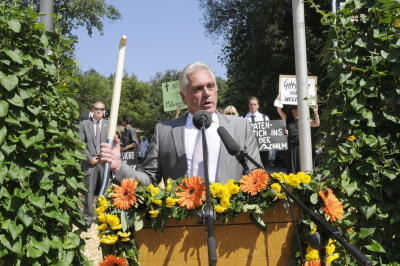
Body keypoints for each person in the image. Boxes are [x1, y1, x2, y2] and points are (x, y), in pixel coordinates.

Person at [100, 62, 262, 185]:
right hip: (181, 224)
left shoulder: (241, 127)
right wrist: (118, 166)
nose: (207, 93)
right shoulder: (164, 131)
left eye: (211, 86)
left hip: (232, 224)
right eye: (198, 88)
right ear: (184, 97)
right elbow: (149, 180)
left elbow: (255, 175)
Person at [79, 101, 108, 226]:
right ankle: (88, 218)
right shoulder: (84, 124)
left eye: (101, 109)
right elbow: (80, 144)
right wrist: (89, 158)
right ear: (92, 109)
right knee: (89, 192)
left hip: (104, 163)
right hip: (89, 162)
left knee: (105, 191)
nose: (99, 111)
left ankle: (103, 218)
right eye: (97, 109)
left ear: (104, 110)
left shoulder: (109, 125)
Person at [276, 98, 320, 173]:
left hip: (303, 147)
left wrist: (315, 112)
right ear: (291, 111)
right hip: (291, 147)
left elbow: (316, 123)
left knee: (303, 166)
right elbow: (279, 110)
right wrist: (279, 100)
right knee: (292, 168)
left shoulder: (305, 119)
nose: (297, 110)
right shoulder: (287, 119)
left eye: (298, 108)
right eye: (294, 109)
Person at [244, 96, 275, 167]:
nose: (252, 106)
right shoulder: (243, 118)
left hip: (262, 148)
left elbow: (270, 132)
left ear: (258, 106)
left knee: (262, 168)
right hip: (249, 147)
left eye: (254, 104)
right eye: (251, 104)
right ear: (248, 105)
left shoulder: (264, 118)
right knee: (250, 168)